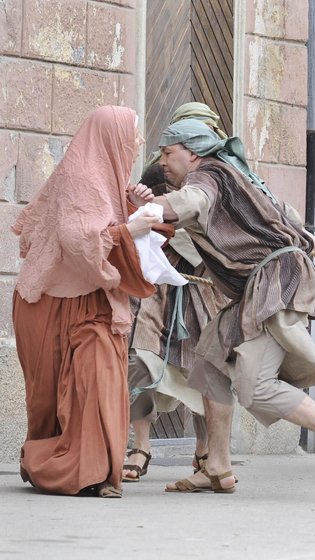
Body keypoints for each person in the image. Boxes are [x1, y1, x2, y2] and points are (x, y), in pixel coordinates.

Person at [127, 119, 315, 493]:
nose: (163, 161)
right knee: (210, 362)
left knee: (257, 386)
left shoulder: (208, 175)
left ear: (192, 153)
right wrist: (313, 243)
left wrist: (150, 209)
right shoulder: (235, 172)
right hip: (263, 283)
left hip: (274, 283)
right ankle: (217, 465)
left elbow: (193, 201)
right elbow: (277, 214)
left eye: (169, 153)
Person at [12, 105, 158, 497]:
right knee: (51, 399)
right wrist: (129, 228)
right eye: (132, 133)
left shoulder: (105, 176)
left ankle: (93, 471)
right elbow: (78, 239)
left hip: (91, 301)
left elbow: (101, 226)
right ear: (111, 136)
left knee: (99, 381)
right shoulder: (81, 176)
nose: (138, 141)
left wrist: (132, 202)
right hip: (51, 303)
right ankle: (57, 464)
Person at [123, 103, 230, 482]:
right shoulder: (158, 171)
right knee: (141, 358)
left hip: (204, 283)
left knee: (201, 365)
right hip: (158, 280)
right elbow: (142, 219)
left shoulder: (222, 172)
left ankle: (204, 450)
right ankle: (141, 445)